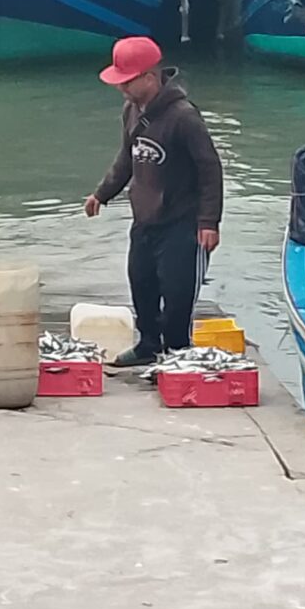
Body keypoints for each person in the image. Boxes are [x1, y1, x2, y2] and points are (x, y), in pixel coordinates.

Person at [85, 37, 223, 365]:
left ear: (150, 77)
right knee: (141, 283)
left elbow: (210, 169)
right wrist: (102, 193)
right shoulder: (131, 111)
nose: (121, 89)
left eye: (127, 82)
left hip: (181, 222)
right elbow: (126, 158)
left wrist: (209, 222)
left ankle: (176, 351)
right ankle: (148, 344)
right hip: (145, 219)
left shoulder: (184, 117)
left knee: (177, 293)